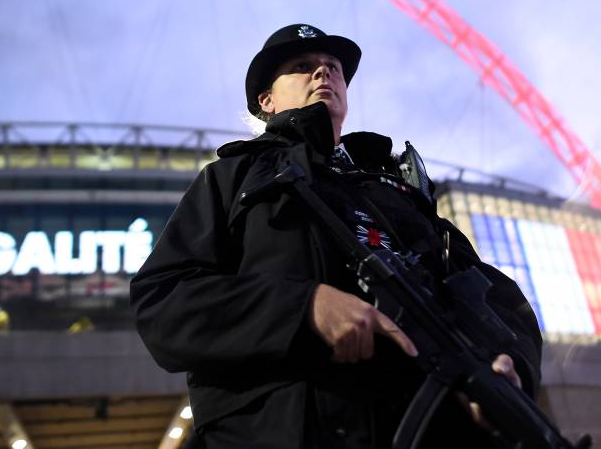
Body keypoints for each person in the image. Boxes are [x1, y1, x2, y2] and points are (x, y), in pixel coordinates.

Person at [130, 24, 543, 448]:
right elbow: (163, 301)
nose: (324, 73)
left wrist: (510, 361)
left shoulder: (398, 190)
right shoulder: (232, 179)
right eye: (303, 67)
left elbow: (492, 294)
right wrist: (303, 308)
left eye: (333, 68)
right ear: (266, 101)